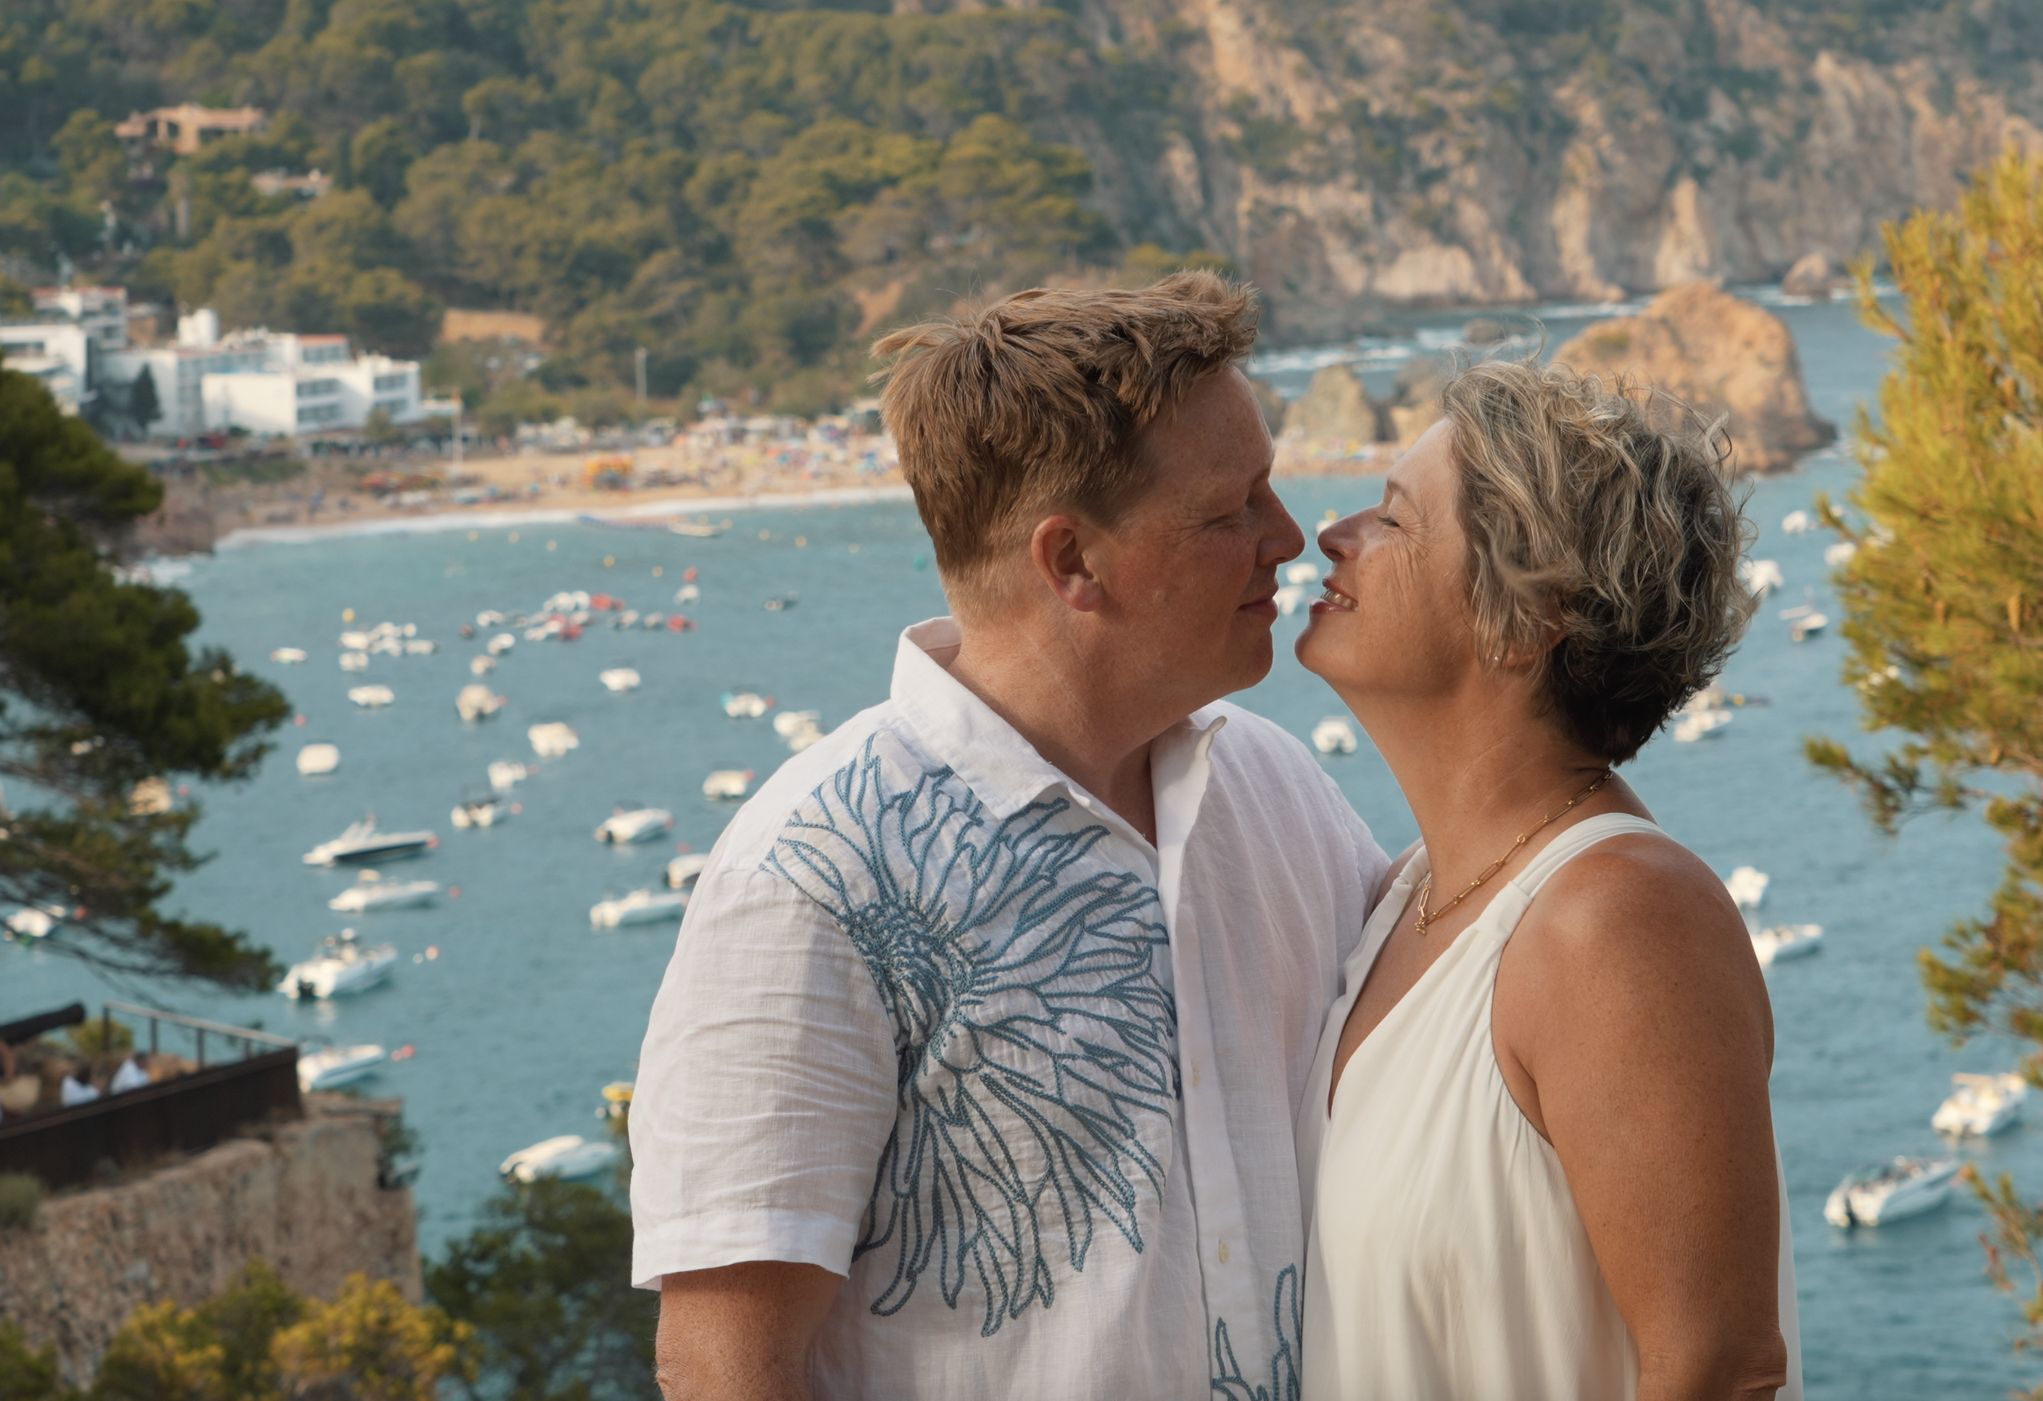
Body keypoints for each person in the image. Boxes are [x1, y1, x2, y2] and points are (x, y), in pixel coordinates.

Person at [630, 273, 1388, 1400]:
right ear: (1071, 561)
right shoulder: (809, 877)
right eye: (1232, 507)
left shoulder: (1277, 790)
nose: (1289, 537)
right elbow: (725, 1370)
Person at [1294, 359, 1801, 1400]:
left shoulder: (1614, 920)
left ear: (1521, 621)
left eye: (1392, 522)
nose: (1330, 534)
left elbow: (1719, 1370)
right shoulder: (1403, 897)